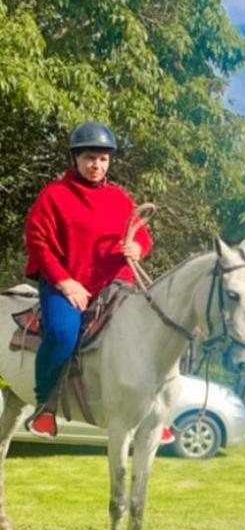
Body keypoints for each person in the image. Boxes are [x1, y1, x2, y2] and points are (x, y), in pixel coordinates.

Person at [23, 122, 154, 437]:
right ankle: (45, 405)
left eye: (103, 159)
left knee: (149, 329)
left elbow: (143, 236)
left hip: (113, 284)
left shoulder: (120, 199)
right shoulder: (54, 195)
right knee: (62, 333)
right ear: (76, 159)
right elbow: (37, 242)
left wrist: (137, 247)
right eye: (89, 158)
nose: (96, 165)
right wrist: (64, 282)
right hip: (64, 283)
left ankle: (153, 408)